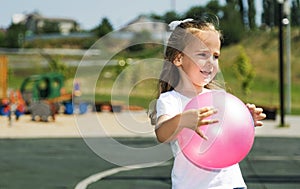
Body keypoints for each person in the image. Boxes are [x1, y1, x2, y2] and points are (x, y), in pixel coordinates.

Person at [152, 17, 266, 189]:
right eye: (203, 54)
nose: (211, 63)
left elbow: (229, 138)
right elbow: (162, 133)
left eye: (215, 56)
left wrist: (245, 121)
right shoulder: (171, 100)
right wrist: (183, 121)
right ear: (178, 58)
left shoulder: (219, 98)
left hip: (232, 184)